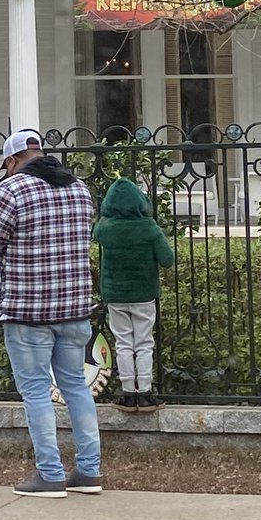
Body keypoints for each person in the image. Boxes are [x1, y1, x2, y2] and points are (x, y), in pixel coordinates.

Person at [0, 130, 101, 498]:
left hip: (27, 309)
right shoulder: (79, 189)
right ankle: (89, 472)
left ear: (12, 160)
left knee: (37, 392)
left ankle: (50, 474)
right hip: (74, 307)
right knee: (76, 387)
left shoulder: (11, 190)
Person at [92, 176, 175, 413]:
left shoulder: (104, 228)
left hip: (115, 295)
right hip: (143, 294)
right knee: (144, 343)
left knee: (123, 343)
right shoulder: (149, 228)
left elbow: (95, 233)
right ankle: (145, 394)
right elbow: (168, 259)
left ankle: (128, 393)